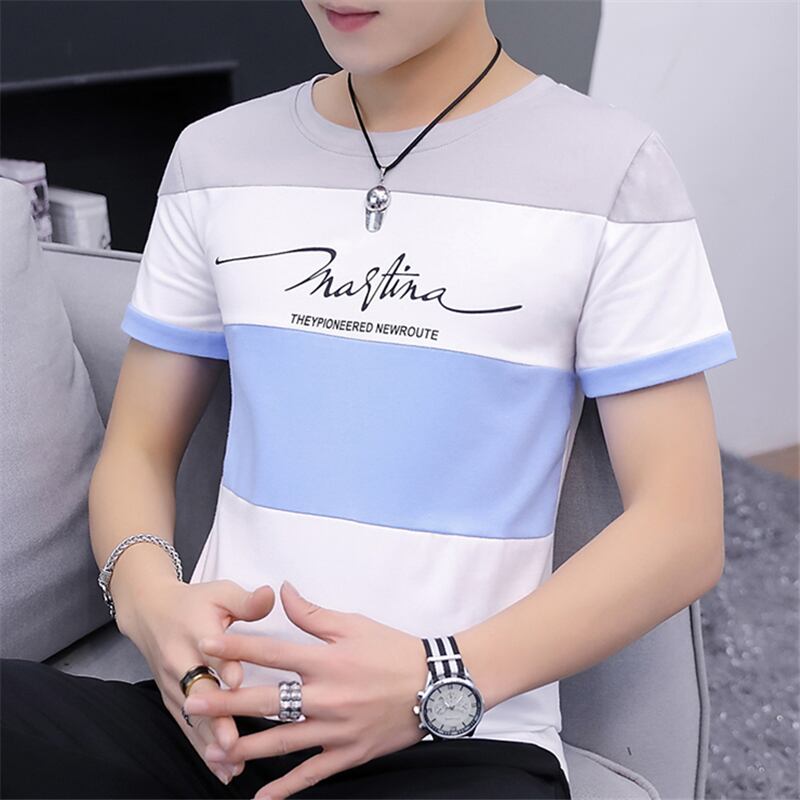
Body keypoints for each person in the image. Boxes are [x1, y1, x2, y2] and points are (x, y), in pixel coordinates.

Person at [1, 0, 738, 798]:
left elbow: (681, 529)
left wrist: (435, 677)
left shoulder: (611, 169)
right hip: (209, 727)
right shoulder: (214, 155)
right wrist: (151, 606)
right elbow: (139, 449)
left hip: (454, 740)